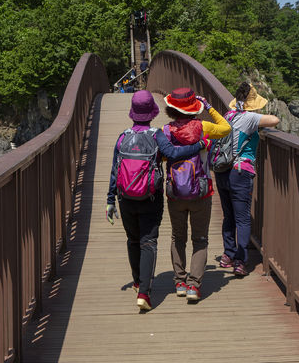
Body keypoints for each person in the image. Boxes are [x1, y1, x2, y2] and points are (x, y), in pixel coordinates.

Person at [106, 90, 205, 311]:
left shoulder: (123, 136)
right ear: (152, 113)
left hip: (125, 198)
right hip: (150, 197)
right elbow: (173, 154)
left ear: (132, 113)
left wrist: (110, 199)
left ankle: (136, 281)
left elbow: (114, 170)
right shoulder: (156, 134)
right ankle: (144, 293)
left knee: (133, 240)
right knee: (148, 242)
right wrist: (198, 146)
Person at [162, 88, 231, 302]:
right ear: (195, 108)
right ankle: (194, 287)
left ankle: (180, 282)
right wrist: (209, 107)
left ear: (171, 108)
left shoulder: (165, 131)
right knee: (200, 239)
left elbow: (163, 158)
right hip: (201, 191)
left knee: (177, 237)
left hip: (175, 192)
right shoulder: (204, 128)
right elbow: (226, 128)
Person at [214, 82, 279, 276]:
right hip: (240, 171)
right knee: (242, 218)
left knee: (229, 215)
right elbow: (274, 120)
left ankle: (228, 254)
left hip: (222, 169)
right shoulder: (250, 118)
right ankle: (240, 261)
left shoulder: (228, 115)